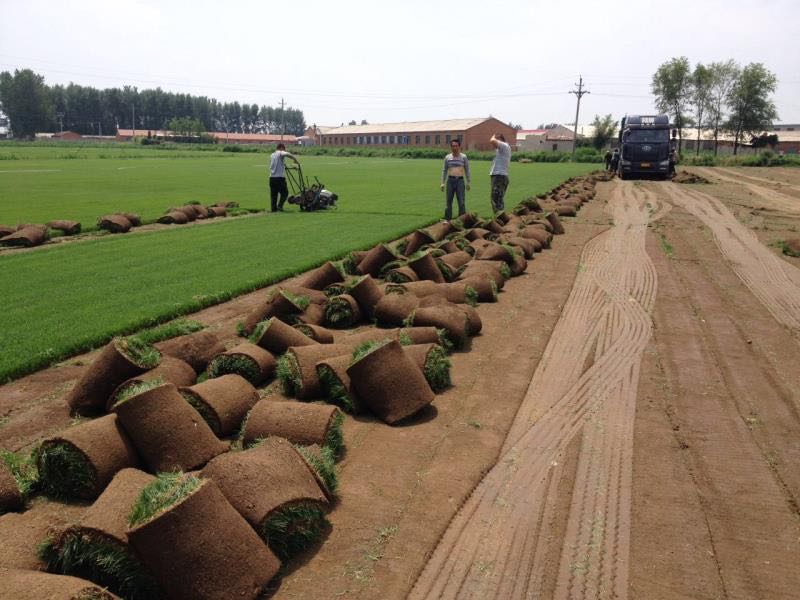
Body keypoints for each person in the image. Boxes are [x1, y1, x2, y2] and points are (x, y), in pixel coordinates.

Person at [440, 139, 471, 220]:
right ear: (451, 147)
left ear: (459, 146)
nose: (454, 147)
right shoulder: (447, 157)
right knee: (448, 202)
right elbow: (444, 170)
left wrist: (468, 182)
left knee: (461, 202)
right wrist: (442, 183)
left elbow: (467, 170)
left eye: (456, 146)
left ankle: (462, 220)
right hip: (450, 181)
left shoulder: (464, 157)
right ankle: (447, 220)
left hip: (460, 181)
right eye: (453, 146)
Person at [269, 143, 299, 212]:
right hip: (279, 178)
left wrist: (290, 167)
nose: (284, 150)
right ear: (281, 147)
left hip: (272, 178)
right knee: (285, 193)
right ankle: (280, 206)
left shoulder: (272, 155)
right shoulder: (280, 153)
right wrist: (295, 159)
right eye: (284, 149)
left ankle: (273, 209)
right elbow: (287, 154)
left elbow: (280, 164)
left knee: (274, 195)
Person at [489, 133, 511, 213]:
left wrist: (493, 136)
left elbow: (492, 141)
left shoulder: (504, 146)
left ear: (500, 140)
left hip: (499, 176)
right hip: (499, 176)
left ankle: (501, 220)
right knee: (497, 199)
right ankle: (500, 219)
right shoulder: (502, 149)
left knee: (496, 199)